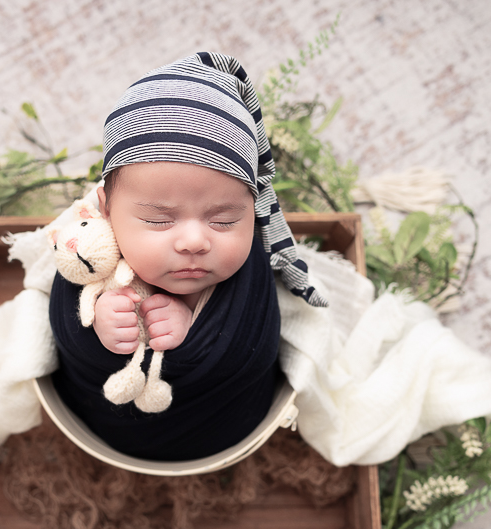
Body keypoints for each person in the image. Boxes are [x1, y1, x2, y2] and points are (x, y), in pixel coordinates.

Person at [48, 51, 327, 461]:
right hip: (109, 426)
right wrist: (98, 331)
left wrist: (193, 328)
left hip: (221, 425)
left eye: (225, 220)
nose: (194, 241)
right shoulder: (86, 246)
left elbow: (250, 350)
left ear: (252, 209)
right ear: (106, 208)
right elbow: (64, 328)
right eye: (160, 221)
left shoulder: (246, 271)